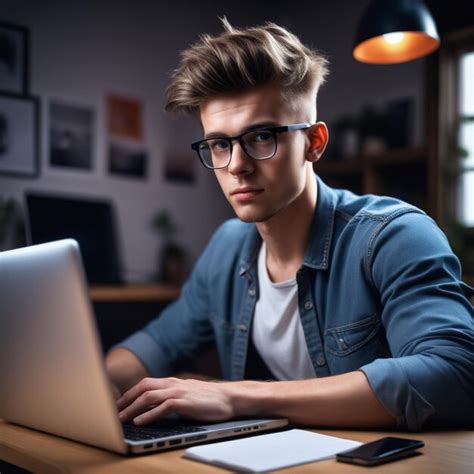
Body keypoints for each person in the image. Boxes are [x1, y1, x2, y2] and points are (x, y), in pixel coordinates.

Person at [106, 19, 474, 431]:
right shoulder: (227, 248)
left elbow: (455, 374)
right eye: (219, 143)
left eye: (262, 137)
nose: (237, 165)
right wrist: (95, 384)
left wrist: (233, 397)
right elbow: (156, 344)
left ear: (314, 142)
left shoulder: (393, 236)